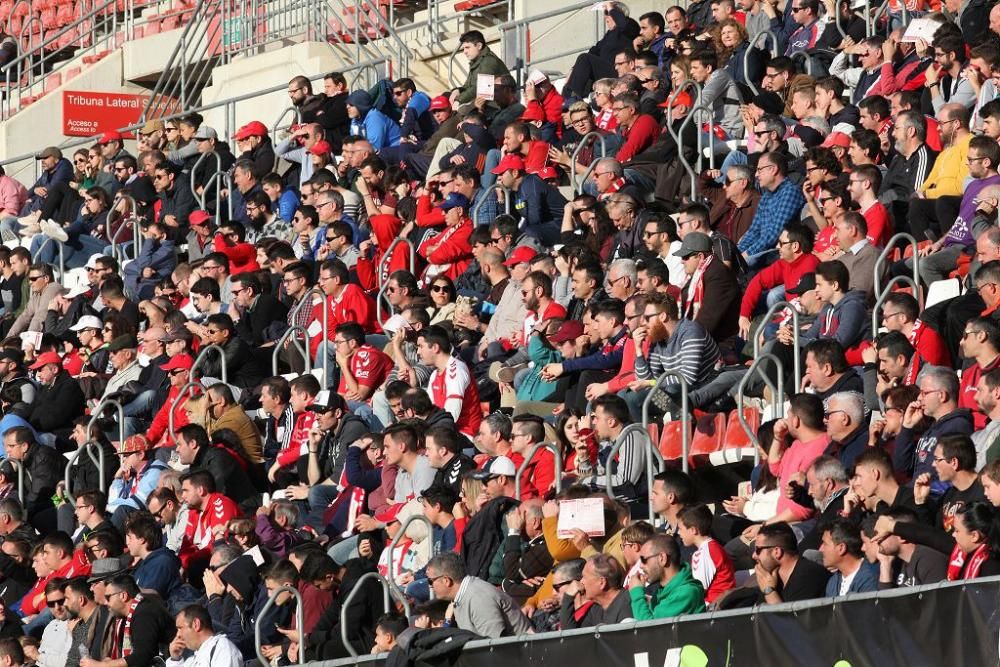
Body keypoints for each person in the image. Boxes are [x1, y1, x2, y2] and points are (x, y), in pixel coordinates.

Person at [424, 552, 532, 638]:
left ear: (446, 580)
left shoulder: (478, 598)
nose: (430, 586)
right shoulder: (461, 596)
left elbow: (494, 647)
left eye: (430, 581)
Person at [750, 522, 831, 605]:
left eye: (758, 550)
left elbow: (789, 617)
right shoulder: (771, 578)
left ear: (777, 552)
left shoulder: (810, 576)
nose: (754, 555)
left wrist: (769, 592)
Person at [628, 534, 705, 619]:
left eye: (644, 560)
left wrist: (636, 594)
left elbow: (649, 629)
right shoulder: (664, 591)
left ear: (662, 558)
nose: (641, 566)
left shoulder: (686, 593)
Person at [166, 604, 242, 667]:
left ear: (196, 624)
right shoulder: (192, 659)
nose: (178, 635)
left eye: (180, 628)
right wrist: (175, 659)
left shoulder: (223, 649)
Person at [819, 517, 879, 597]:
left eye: (825, 544)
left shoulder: (870, 578)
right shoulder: (833, 582)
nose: (821, 549)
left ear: (841, 548)